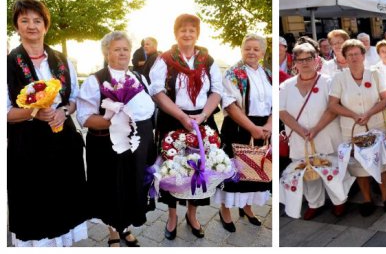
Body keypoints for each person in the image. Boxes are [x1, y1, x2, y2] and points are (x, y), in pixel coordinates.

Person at [7, 0, 87, 246]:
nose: (32, 25)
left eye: (37, 20)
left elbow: (74, 98)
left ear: (46, 25)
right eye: (25, 20)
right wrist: (33, 113)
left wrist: (64, 110)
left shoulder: (62, 60)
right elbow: (6, 112)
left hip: (63, 144)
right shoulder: (9, 63)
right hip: (29, 149)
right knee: (36, 205)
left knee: (65, 202)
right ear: (17, 26)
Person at [148, 14, 223, 240]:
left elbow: (217, 91)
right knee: (172, 170)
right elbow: (157, 92)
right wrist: (182, 117)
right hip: (173, 118)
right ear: (176, 34)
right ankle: (172, 216)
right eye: (183, 30)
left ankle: (192, 214)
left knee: (200, 168)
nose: (187, 34)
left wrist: (202, 116)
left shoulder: (207, 60)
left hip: (202, 118)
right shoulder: (163, 59)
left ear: (197, 34)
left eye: (192, 30)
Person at [77, 31, 155, 246]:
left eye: (125, 49)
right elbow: (84, 117)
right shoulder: (96, 80)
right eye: (116, 49)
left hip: (136, 144)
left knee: (131, 185)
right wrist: (111, 117)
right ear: (106, 52)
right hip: (106, 145)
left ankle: (126, 226)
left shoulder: (139, 77)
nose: (122, 53)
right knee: (111, 188)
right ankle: (113, 230)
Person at [327, 39, 386, 215]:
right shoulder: (339, 78)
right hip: (351, 128)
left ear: (363, 55)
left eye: (357, 53)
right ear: (345, 58)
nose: (354, 57)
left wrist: (369, 113)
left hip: (375, 126)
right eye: (349, 55)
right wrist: (354, 115)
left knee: (381, 164)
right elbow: (333, 105)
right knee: (358, 166)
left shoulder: (375, 74)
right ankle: (367, 199)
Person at [279, 42, 346, 218]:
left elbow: (334, 107)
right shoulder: (286, 86)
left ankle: (339, 200)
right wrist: (301, 130)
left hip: (326, 135)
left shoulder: (329, 82)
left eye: (308, 58)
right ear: (294, 63)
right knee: (306, 171)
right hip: (300, 138)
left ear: (316, 60)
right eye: (300, 60)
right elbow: (282, 112)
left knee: (331, 169)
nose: (305, 63)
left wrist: (316, 129)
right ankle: (314, 203)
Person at [215, 34, 273, 230]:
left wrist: (269, 126)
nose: (251, 52)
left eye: (256, 49)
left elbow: (276, 103)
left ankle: (246, 207)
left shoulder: (267, 73)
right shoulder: (233, 73)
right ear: (241, 50)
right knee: (233, 173)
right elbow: (230, 106)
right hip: (239, 127)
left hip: (263, 128)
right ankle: (225, 210)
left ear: (262, 53)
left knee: (254, 172)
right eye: (247, 48)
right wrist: (252, 128)